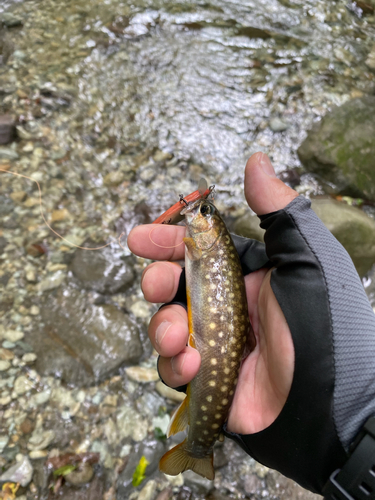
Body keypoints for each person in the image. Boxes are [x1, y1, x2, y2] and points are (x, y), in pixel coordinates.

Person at [128, 152, 375, 498]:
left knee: (177, 344)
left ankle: (197, 448)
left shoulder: (203, 248)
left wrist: (350, 419)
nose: (200, 212)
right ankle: (198, 443)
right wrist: (347, 432)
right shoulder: (200, 247)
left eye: (205, 212)